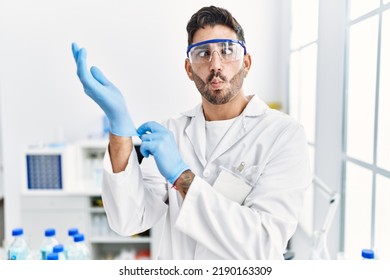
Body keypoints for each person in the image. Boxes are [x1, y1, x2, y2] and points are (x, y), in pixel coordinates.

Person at [71, 5, 311, 260]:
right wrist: (119, 129)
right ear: (189, 68)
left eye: (227, 51)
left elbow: (263, 244)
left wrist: (180, 175)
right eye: (203, 53)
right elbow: (128, 220)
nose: (215, 64)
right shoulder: (173, 131)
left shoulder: (283, 135)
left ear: (246, 63)